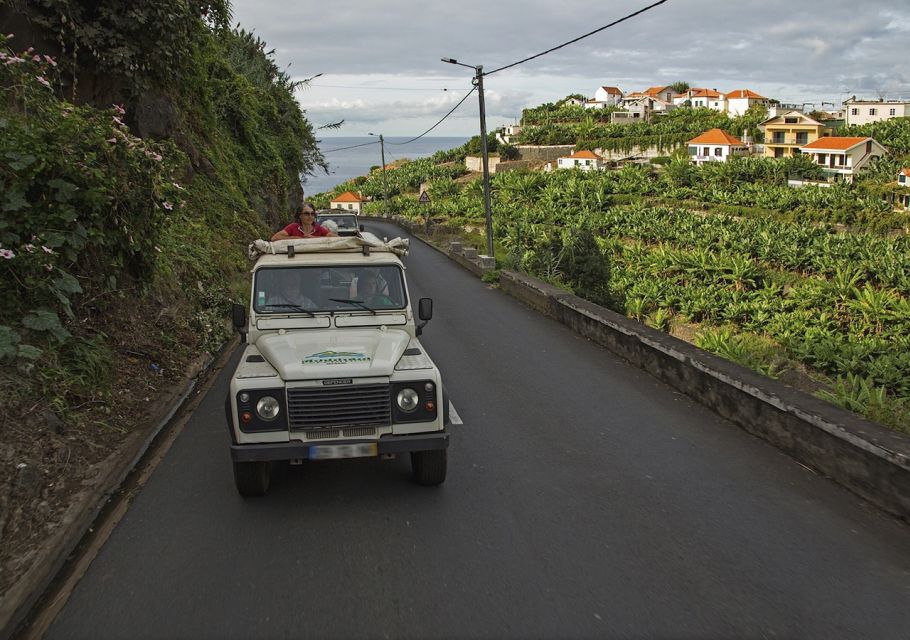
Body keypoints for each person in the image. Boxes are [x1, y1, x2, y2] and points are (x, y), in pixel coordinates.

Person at [271, 203, 336, 240]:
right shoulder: (293, 227)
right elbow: (274, 238)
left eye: (312, 214)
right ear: (300, 215)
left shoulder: (318, 228)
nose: (310, 216)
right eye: (306, 214)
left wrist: (313, 238)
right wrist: (296, 238)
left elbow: (336, 238)